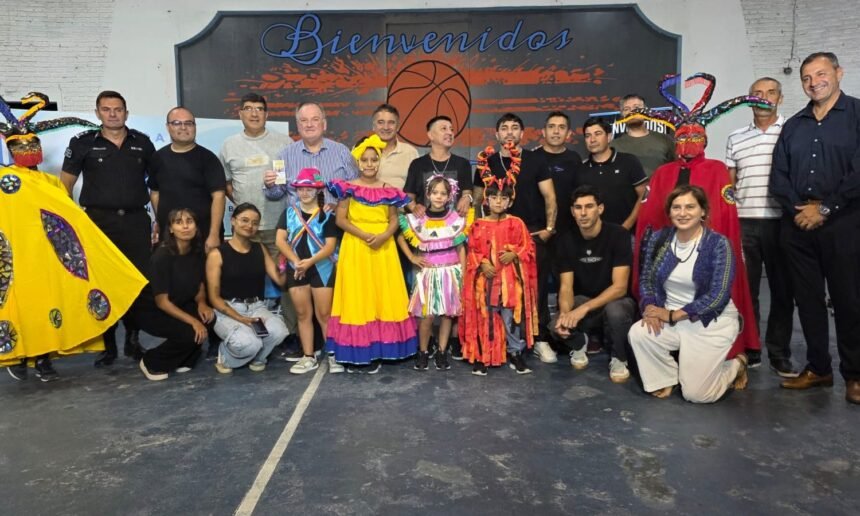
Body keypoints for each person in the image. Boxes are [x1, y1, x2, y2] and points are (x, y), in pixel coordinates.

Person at [1, 92, 146, 381]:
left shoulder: (48, 182)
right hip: (19, 257)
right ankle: (23, 355)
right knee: (24, 304)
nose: (29, 149)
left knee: (53, 303)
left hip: (51, 254)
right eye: (21, 145)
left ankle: (46, 358)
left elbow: (64, 208)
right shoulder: (6, 182)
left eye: (33, 143)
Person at [624, 72, 767, 364]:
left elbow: (726, 216)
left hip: (708, 252)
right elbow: (649, 219)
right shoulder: (664, 173)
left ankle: (728, 351)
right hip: (671, 252)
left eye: (695, 136)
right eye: (682, 136)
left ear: (704, 137)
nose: (688, 142)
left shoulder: (715, 170)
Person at [770, 52, 860, 404]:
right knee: (806, 300)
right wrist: (800, 210)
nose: (813, 81)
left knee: (848, 299)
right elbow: (779, 175)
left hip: (844, 221)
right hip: (798, 223)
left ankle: (854, 374)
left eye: (821, 73)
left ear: (839, 72)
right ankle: (818, 368)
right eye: (807, 77)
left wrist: (825, 208)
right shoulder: (794, 124)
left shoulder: (856, 115)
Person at [61, 90, 155, 366]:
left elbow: (157, 184)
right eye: (107, 109)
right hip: (99, 223)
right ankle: (109, 344)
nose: (113, 114)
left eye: (118, 109)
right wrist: (72, 221)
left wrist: (159, 219)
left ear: (126, 112)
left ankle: (133, 340)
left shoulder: (143, 143)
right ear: (98, 113)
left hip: (136, 221)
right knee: (103, 283)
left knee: (136, 282)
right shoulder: (82, 143)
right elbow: (65, 184)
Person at [629, 185, 748, 403]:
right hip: (670, 318)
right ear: (670, 211)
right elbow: (646, 279)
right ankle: (665, 379)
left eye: (690, 207)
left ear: (703, 211)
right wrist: (650, 307)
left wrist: (674, 315)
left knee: (698, 395)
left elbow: (718, 295)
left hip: (709, 321)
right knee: (639, 333)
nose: (682, 213)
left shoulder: (719, 244)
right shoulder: (658, 239)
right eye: (676, 207)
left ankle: (736, 366)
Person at [325, 135, 417, 373]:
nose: (369, 164)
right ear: (358, 162)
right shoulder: (347, 188)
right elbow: (341, 219)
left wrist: (384, 236)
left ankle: (383, 349)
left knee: (382, 296)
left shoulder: (389, 190)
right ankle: (358, 349)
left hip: (383, 249)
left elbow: (394, 219)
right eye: (365, 160)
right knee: (358, 298)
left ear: (379, 162)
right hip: (356, 248)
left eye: (373, 160)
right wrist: (364, 235)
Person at [725, 77, 797, 378]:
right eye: (756, 93)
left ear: (779, 98)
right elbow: (729, 184)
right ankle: (751, 349)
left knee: (782, 290)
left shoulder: (793, 132)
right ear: (748, 99)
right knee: (746, 290)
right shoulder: (736, 137)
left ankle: (779, 353)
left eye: (770, 93)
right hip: (745, 222)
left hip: (782, 222)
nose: (763, 98)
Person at [473, 113, 557, 364]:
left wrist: (549, 229)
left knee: (534, 291)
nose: (509, 133)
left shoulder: (536, 160)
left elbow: (550, 197)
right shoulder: (487, 162)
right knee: (496, 295)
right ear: (497, 134)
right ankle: (497, 345)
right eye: (504, 128)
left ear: (522, 134)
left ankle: (538, 339)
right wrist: (482, 236)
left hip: (529, 235)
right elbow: (478, 200)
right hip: (495, 239)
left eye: (514, 128)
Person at [219, 93, 296, 349]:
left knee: (285, 280)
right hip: (245, 231)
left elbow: (289, 183)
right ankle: (238, 328)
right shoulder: (229, 145)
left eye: (259, 109)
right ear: (240, 113)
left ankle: (291, 331)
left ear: (266, 114)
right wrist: (243, 204)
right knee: (237, 281)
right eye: (248, 109)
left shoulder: (283, 143)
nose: (254, 114)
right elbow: (227, 183)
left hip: (277, 227)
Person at [553, 186, 637, 383]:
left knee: (616, 310)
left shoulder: (618, 235)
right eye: (578, 207)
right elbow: (566, 287)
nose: (583, 213)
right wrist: (566, 316)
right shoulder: (566, 240)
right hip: (584, 301)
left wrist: (582, 310)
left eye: (589, 206)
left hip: (615, 302)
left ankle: (619, 357)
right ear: (572, 211)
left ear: (600, 209)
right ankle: (579, 342)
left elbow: (620, 287)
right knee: (554, 323)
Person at [461, 167, 538, 376]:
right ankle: (482, 355)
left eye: (503, 198)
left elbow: (528, 246)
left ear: (510, 202)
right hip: (485, 285)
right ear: (486, 200)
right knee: (485, 319)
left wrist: (514, 254)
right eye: (494, 197)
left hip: (510, 285)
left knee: (511, 319)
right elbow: (472, 251)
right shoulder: (478, 225)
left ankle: (515, 353)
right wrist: (482, 263)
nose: (498, 202)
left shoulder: (516, 223)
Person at [397, 175, 471, 371]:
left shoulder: (456, 219)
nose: (439, 197)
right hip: (427, 273)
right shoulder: (418, 218)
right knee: (427, 315)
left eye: (443, 193)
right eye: (435, 192)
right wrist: (412, 258)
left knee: (447, 314)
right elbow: (400, 237)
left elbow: (460, 247)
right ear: (428, 194)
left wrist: (462, 273)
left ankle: (442, 350)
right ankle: (423, 351)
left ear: (449, 196)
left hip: (451, 272)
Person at [205, 203, 289, 373]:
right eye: (244, 220)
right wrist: (241, 319)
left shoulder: (260, 249)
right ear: (233, 221)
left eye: (255, 222)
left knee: (279, 331)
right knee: (250, 343)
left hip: (257, 307)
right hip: (227, 310)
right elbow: (214, 298)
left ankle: (258, 357)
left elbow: (280, 281)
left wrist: (289, 261)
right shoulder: (217, 254)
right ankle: (226, 356)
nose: (250, 226)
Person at [132, 208, 214, 380]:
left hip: (180, 302)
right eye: (178, 222)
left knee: (208, 317)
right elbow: (162, 302)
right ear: (170, 229)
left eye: (189, 221)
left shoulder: (196, 252)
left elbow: (199, 283)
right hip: (153, 310)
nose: (185, 226)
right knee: (191, 331)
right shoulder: (161, 256)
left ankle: (186, 357)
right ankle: (152, 361)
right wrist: (193, 321)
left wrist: (202, 303)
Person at [275, 168, 339, 375]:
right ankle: (308, 356)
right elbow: (280, 241)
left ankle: (333, 355)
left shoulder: (327, 215)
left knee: (324, 314)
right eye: (301, 188)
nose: (304, 192)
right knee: (303, 315)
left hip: (321, 268)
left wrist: (309, 262)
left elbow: (330, 246)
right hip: (297, 270)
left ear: (318, 190)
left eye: (309, 188)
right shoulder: (289, 213)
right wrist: (296, 262)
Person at [149, 107, 226, 252]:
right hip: (170, 236)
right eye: (177, 123)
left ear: (195, 127)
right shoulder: (158, 158)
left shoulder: (208, 159)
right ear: (168, 127)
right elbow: (155, 193)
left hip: (203, 236)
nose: (183, 127)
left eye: (189, 123)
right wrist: (160, 221)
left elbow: (219, 196)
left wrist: (214, 234)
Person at [264, 101, 360, 205]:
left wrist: (339, 208)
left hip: (334, 219)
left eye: (315, 119)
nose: (309, 125)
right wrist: (271, 185)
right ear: (298, 126)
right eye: (304, 120)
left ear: (324, 124)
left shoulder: (342, 152)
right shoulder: (284, 155)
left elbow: (356, 190)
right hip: (299, 220)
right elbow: (275, 195)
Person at [578, 117, 648, 230]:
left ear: (609, 137)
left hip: (627, 234)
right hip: (594, 236)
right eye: (588, 135)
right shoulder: (581, 169)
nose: (592, 139)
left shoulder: (628, 161)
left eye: (598, 134)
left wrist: (626, 226)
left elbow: (644, 195)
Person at [403, 115, 473, 217]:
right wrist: (414, 207)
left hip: (454, 225)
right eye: (444, 129)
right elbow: (408, 196)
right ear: (431, 135)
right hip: (424, 225)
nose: (450, 133)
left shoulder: (463, 164)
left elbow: (468, 192)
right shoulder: (417, 164)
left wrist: (467, 198)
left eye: (451, 129)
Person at [533, 111, 583, 237]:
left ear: (568, 134)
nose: (556, 131)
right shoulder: (532, 158)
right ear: (543, 132)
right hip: (537, 229)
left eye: (561, 127)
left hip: (569, 229)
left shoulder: (575, 159)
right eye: (551, 127)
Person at [611, 94, 675, 178]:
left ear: (646, 111)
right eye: (627, 109)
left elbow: (676, 170)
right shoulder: (613, 146)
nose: (632, 112)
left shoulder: (665, 140)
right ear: (622, 115)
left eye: (636, 108)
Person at [372, 104, 419, 190]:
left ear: (398, 127)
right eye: (380, 122)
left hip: (401, 202)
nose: (386, 127)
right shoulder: (361, 150)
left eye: (391, 122)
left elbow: (416, 188)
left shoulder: (410, 152)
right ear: (373, 126)